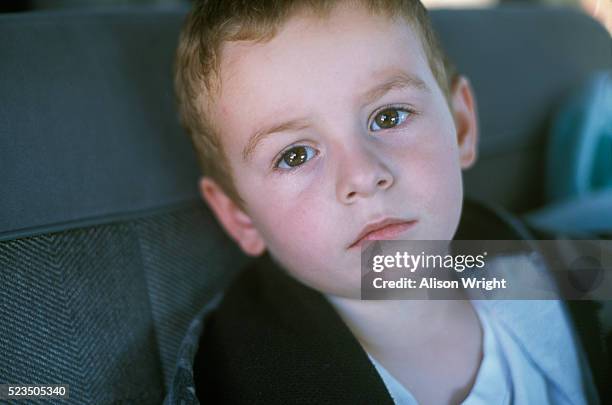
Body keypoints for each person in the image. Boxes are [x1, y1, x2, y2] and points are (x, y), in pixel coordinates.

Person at [171, 0, 602, 403]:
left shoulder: (545, 265)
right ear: (240, 217)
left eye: (388, 117)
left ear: (462, 127)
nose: (362, 175)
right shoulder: (249, 383)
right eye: (295, 155)